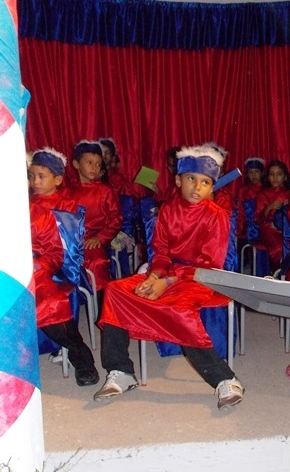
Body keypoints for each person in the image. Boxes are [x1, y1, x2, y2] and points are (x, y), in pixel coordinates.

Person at [94, 144, 245, 409]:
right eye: (190, 179)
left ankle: (224, 378)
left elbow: (209, 265)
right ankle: (121, 370)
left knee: (179, 309)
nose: (197, 188)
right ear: (178, 180)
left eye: (205, 182)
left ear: (212, 187)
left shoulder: (217, 217)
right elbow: (161, 253)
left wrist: (167, 282)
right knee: (116, 291)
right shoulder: (167, 211)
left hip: (203, 279)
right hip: (168, 275)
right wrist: (154, 277)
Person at [28, 151, 99, 387]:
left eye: (41, 176)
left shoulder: (61, 208)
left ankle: (81, 355)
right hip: (19, 269)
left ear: (57, 179)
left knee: (47, 301)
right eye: (32, 176)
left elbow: (61, 251)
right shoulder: (22, 205)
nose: (35, 182)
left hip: (53, 268)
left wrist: (36, 266)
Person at [70, 140, 122, 305]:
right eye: (89, 163)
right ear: (76, 164)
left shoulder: (105, 191)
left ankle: (103, 305)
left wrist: (100, 238)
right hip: (73, 241)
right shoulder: (67, 191)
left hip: (95, 240)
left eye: (98, 164)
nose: (94, 167)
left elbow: (116, 218)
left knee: (96, 263)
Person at [254, 159, 290, 272]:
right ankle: (281, 266)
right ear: (267, 177)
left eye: (279, 174)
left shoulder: (289, 193)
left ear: (285, 177)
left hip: (286, 228)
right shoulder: (263, 194)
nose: (275, 177)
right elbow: (257, 218)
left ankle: (289, 268)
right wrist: (269, 208)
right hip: (269, 228)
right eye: (272, 174)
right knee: (278, 244)